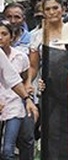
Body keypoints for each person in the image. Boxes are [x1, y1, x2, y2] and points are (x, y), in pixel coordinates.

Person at [0, 20, 33, 160]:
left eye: (4, 34)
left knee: (8, 149)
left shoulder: (19, 56)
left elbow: (14, 79)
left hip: (13, 104)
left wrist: (27, 99)